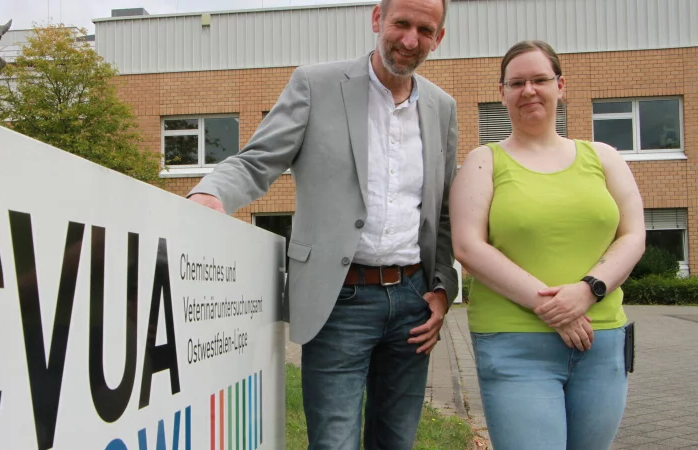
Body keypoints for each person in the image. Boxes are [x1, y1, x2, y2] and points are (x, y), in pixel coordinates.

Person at [188, 0, 458, 447]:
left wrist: (444, 288)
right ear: (377, 19)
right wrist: (211, 192)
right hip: (340, 301)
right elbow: (258, 161)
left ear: (439, 37)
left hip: (413, 300)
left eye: (425, 30)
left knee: (397, 441)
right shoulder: (316, 84)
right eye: (401, 23)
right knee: (334, 442)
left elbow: (444, 208)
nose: (411, 40)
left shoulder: (441, 107)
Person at [450, 40, 645, 450]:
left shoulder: (604, 157)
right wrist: (555, 308)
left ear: (560, 85)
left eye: (539, 79)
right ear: (501, 93)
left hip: (601, 339)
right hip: (515, 344)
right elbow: (469, 247)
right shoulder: (483, 163)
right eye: (516, 82)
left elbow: (633, 235)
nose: (529, 90)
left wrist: (587, 290)